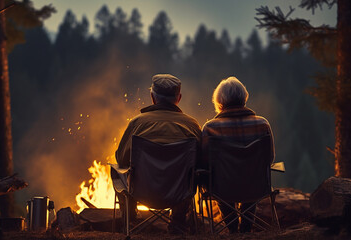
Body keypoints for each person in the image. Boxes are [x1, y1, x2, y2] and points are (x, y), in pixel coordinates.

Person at [115, 74, 202, 233]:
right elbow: (201, 161)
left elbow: (121, 159)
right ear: (179, 98)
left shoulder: (137, 123)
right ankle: (178, 221)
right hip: (180, 194)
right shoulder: (192, 125)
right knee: (193, 174)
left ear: (152, 97)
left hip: (142, 192)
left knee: (116, 170)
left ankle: (131, 220)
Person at [202, 76, 275, 233]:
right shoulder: (262, 124)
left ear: (219, 102)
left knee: (217, 178)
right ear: (244, 99)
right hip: (255, 187)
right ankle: (246, 228)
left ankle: (233, 229)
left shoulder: (210, 128)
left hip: (223, 189)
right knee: (251, 174)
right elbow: (269, 158)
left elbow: (204, 163)